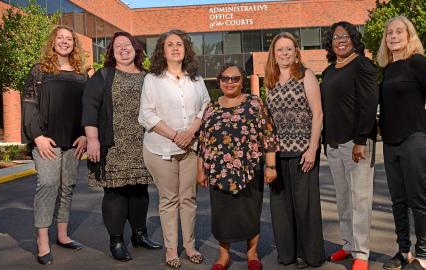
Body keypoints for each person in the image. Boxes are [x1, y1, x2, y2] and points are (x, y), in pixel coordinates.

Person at [82, 31, 162, 262]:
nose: (123, 49)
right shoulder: (103, 75)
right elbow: (90, 109)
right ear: (112, 51)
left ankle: (140, 235)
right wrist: (93, 139)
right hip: (113, 145)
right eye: (118, 46)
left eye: (128, 45)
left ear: (136, 49)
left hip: (143, 145)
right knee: (115, 193)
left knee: (140, 191)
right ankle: (116, 240)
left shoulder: (148, 77)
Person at [377, 16, 426, 270]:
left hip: (416, 140)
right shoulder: (387, 69)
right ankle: (404, 251)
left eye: (398, 32)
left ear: (409, 35)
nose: (393, 36)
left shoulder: (418, 63)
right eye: (389, 33)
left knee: (418, 200)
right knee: (398, 201)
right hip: (391, 143)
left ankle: (424, 256)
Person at [139, 29, 210, 269]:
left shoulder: (196, 78)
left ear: (186, 48)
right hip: (160, 149)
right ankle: (171, 249)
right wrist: (175, 135)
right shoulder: (152, 79)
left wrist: (191, 132)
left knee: (188, 199)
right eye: (170, 45)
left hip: (191, 147)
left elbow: (206, 105)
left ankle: (189, 246)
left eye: (179, 44)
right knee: (169, 199)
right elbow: (146, 114)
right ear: (163, 50)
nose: (175, 48)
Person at [197, 63, 279, 270]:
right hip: (219, 172)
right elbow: (203, 141)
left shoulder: (254, 103)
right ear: (220, 81)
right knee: (222, 216)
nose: (230, 82)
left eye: (235, 78)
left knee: (250, 213)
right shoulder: (211, 107)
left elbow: (268, 134)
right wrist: (201, 170)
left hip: (249, 170)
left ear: (242, 81)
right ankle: (223, 255)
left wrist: (271, 166)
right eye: (225, 78)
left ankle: (252, 253)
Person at [22, 25, 88, 265]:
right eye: (60, 38)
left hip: (74, 140)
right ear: (53, 42)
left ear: (74, 44)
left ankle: (62, 235)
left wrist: (85, 135)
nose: (64, 42)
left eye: (69, 39)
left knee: (67, 186)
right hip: (46, 139)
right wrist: (36, 136)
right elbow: (29, 105)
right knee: (48, 184)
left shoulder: (82, 73)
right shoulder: (39, 71)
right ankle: (42, 240)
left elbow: (88, 108)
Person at [264, 32, 325, 269]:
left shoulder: (305, 75)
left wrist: (312, 149)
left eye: (289, 49)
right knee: (281, 207)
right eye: (280, 49)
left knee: (305, 205)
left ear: (296, 51)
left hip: (303, 152)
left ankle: (310, 255)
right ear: (274, 53)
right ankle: (287, 254)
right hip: (277, 153)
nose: (285, 53)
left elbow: (318, 114)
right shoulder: (271, 79)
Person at [320, 21, 378, 270]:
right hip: (333, 144)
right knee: (343, 199)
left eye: (345, 36)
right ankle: (348, 244)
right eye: (335, 37)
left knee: (360, 200)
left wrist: (361, 140)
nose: (340, 40)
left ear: (354, 38)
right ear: (330, 43)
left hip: (357, 143)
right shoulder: (330, 70)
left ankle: (362, 254)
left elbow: (369, 103)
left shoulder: (362, 65)